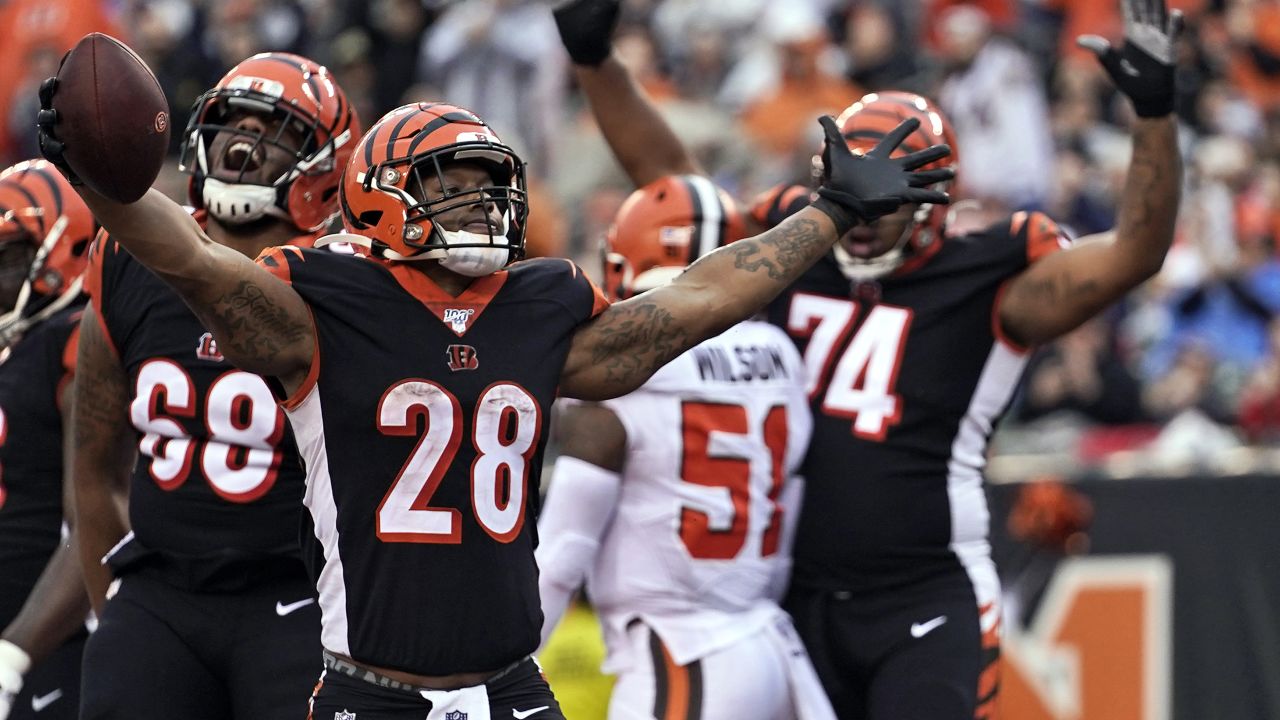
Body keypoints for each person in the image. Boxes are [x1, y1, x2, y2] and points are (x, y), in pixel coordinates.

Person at [37, 36, 953, 719]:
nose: (482, 200)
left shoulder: (541, 301)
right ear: (380, 197)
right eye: (450, 183)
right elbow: (195, 266)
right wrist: (107, 179)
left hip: (511, 685)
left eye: (487, 179)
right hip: (372, 691)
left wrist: (829, 214)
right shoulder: (321, 301)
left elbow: (695, 300)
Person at [548, 0, 1183, 716]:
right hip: (794, 598)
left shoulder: (990, 279)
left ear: (930, 200)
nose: (860, 220)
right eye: (852, 194)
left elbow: (1135, 252)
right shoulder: (806, 237)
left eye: (882, 202)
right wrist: (598, 65)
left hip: (924, 592)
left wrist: (1155, 115)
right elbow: (680, 191)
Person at [69, 53, 362, 719]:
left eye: (273, 130)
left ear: (324, 160)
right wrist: (114, 608)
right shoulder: (123, 257)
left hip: (295, 596)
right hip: (159, 595)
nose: (240, 145)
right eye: (232, 124)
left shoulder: (345, 280)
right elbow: (93, 465)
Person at [535, 175, 835, 719]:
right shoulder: (778, 352)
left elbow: (561, 553)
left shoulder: (629, 372)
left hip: (680, 650)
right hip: (771, 643)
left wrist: (497, 667)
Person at [0, 159, 96, 720]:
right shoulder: (17, 348)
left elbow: (97, 520)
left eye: (7, 259)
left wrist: (15, 652)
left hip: (50, 643)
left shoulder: (78, 341)